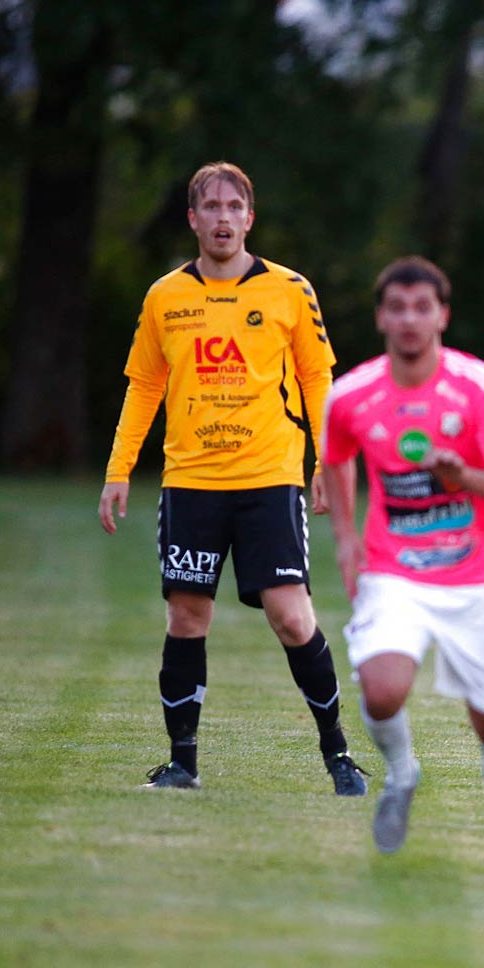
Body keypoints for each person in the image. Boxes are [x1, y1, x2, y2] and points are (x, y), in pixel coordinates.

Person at [99, 160, 365, 794]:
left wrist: (326, 461)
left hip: (270, 478)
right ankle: (182, 764)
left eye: (233, 207)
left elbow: (317, 378)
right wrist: (119, 470)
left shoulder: (289, 290)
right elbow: (144, 386)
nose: (223, 218)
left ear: (250, 217)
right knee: (187, 618)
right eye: (210, 208)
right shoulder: (166, 296)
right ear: (192, 219)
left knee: (292, 617)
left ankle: (339, 757)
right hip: (190, 482)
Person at [321, 257, 484, 870]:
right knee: (383, 690)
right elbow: (336, 457)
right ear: (381, 317)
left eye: (422, 307)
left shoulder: (477, 386)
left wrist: (461, 475)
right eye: (397, 308)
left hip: (481, 574)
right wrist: (346, 539)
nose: (410, 320)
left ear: (442, 314)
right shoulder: (353, 394)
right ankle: (402, 773)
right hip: (396, 570)